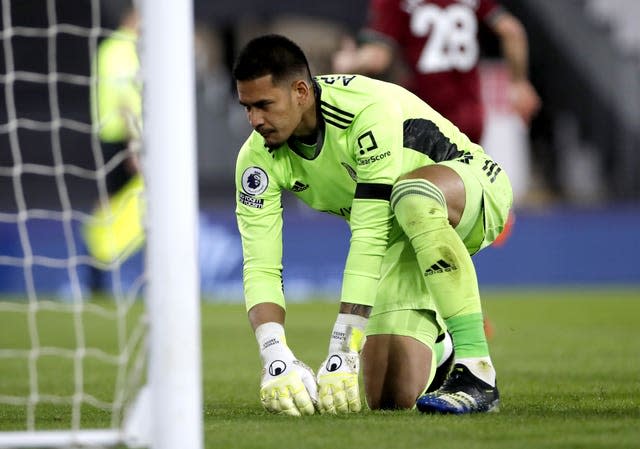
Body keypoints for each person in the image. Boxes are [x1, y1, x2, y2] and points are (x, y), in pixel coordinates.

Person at [233, 34, 511, 415]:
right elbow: (260, 265)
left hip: (471, 189)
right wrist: (275, 357)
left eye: (264, 105)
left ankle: (478, 371)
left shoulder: (365, 112)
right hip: (399, 235)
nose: (255, 120)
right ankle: (442, 346)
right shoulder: (254, 159)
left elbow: (368, 234)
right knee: (390, 398)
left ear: (300, 91)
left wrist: (343, 349)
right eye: (247, 107)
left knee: (412, 196)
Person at [332, 0, 541, 145]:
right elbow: (512, 31)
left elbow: (377, 58)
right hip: (471, 113)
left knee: (418, 191)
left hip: (425, 113)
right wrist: (519, 83)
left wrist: (348, 62)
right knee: (470, 187)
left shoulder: (395, 3)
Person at [84, 5, 145, 288]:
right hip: (119, 140)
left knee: (115, 203)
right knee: (116, 204)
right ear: (132, 17)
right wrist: (133, 145)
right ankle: (98, 266)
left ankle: (100, 267)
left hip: (119, 138)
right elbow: (123, 102)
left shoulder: (118, 48)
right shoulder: (121, 49)